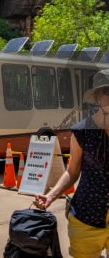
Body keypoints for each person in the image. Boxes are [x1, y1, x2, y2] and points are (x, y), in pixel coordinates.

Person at [35, 71, 109, 257]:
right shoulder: (82, 131)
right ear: (98, 98)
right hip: (87, 216)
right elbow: (72, 171)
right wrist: (50, 196)